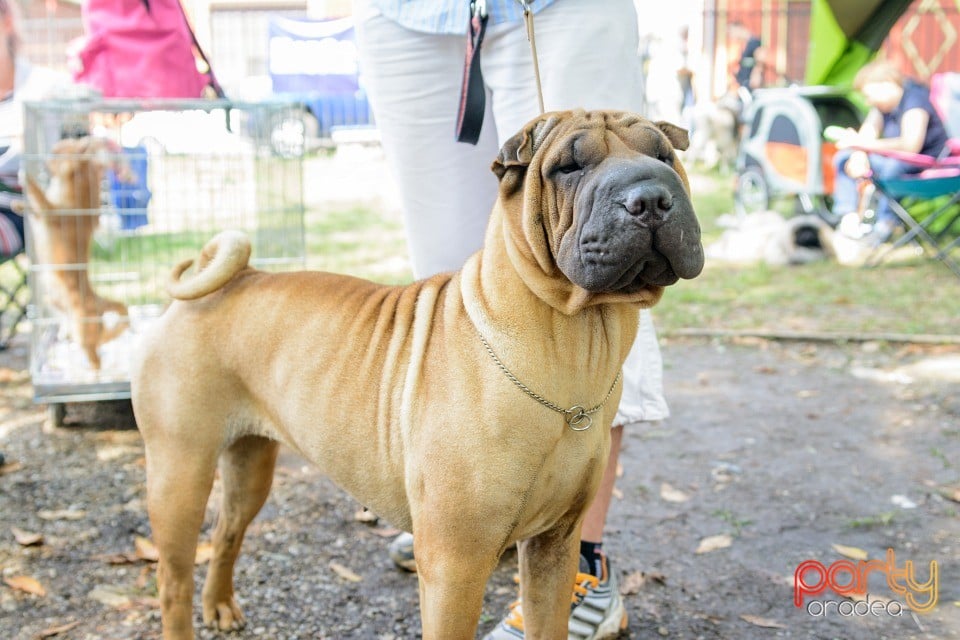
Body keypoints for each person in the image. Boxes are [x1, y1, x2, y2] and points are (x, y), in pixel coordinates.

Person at [353, 1, 671, 637]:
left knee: (598, 253)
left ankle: (580, 567)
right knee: (448, 283)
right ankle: (467, 514)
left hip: (556, 7)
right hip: (407, 14)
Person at [831, 60, 948, 245]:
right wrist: (858, 155)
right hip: (896, 163)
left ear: (887, 84)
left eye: (869, 95)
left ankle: (884, 224)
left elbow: (910, 146)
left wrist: (864, 145)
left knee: (892, 167)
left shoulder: (915, 100)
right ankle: (848, 219)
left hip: (926, 165)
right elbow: (866, 135)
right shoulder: (882, 108)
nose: (869, 101)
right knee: (843, 158)